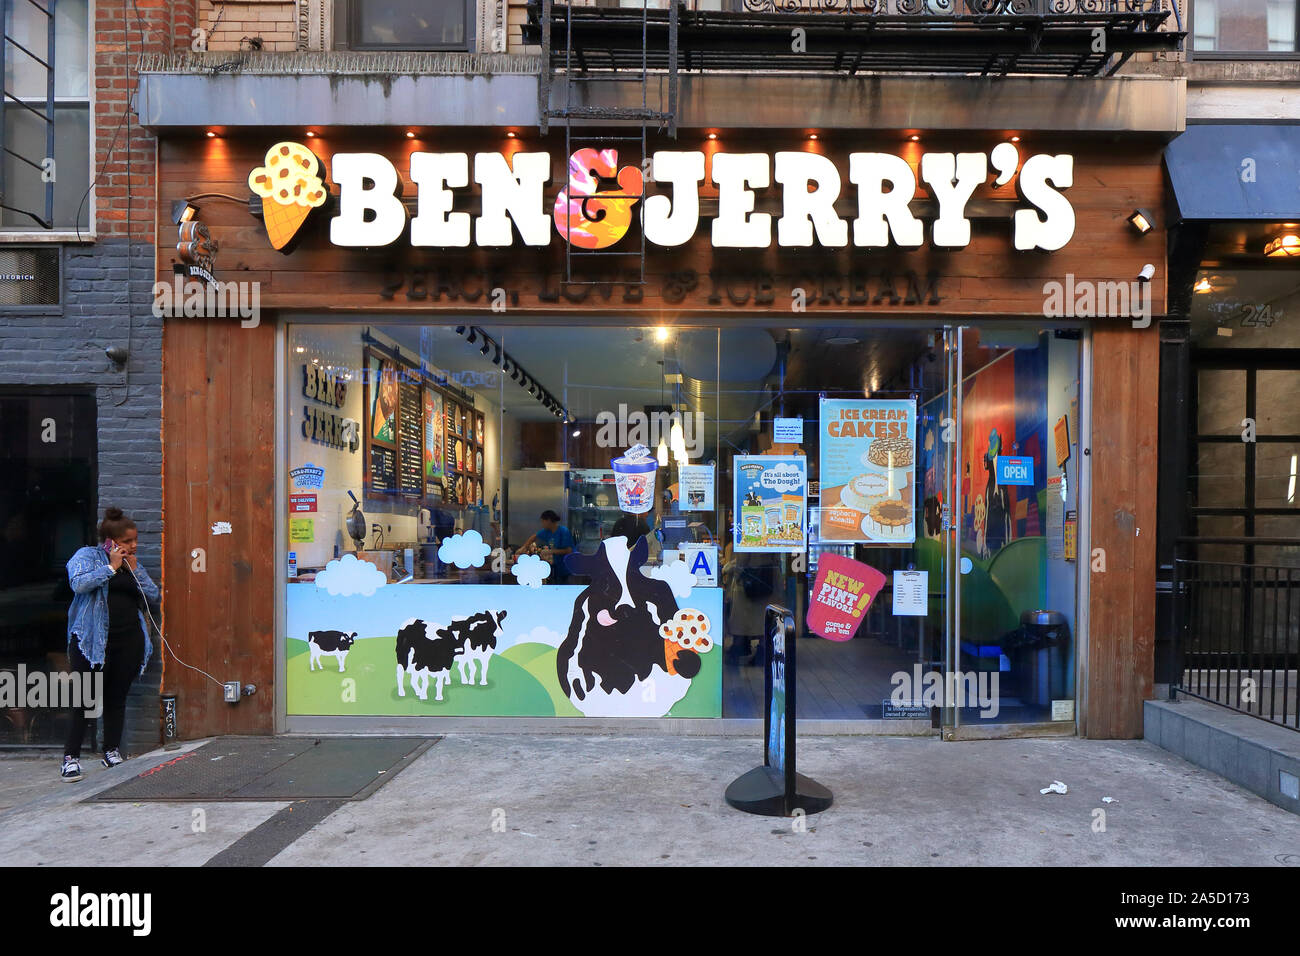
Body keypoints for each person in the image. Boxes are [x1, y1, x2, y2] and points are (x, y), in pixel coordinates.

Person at [60, 507, 160, 781]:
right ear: (111, 541)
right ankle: (71, 759)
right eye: (128, 541)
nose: (134, 545)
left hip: (128, 640)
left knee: (117, 697)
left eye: (135, 539)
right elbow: (78, 584)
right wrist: (110, 567)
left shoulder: (132, 563)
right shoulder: (87, 557)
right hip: (92, 643)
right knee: (84, 700)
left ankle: (111, 751)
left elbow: (153, 594)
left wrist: (134, 568)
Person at [519, 510, 575, 583]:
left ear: (548, 521)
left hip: (567, 568)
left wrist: (550, 551)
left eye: (543, 521)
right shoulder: (546, 531)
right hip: (556, 567)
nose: (542, 524)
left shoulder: (563, 531)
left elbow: (569, 550)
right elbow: (534, 537)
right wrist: (524, 547)